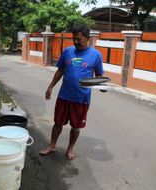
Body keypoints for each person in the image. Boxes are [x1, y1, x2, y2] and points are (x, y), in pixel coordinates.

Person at [39, 24, 104, 160]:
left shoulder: (96, 55)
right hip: (64, 96)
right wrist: (50, 86)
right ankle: (52, 145)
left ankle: (70, 148)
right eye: (74, 38)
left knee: (76, 126)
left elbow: (99, 76)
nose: (76, 42)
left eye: (79, 39)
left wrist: (102, 85)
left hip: (81, 98)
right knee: (57, 122)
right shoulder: (68, 51)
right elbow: (60, 70)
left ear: (87, 38)